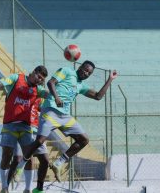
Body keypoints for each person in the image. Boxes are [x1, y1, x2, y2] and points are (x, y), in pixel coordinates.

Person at [15, 61, 118, 192]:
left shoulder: (81, 85)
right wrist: (56, 98)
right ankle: (21, 165)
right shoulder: (67, 71)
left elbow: (98, 96)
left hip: (65, 117)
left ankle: (58, 163)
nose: (86, 73)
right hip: (51, 110)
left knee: (84, 140)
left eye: (89, 73)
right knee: (40, 141)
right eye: (85, 70)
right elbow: (50, 83)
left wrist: (110, 79)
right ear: (80, 67)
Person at [0, 65, 48, 193]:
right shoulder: (16, 78)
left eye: (41, 79)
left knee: (28, 157)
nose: (39, 80)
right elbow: (1, 83)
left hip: (26, 126)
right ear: (33, 72)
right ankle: (4, 187)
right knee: (7, 155)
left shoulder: (38, 89)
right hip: (10, 124)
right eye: (38, 76)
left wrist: (57, 94)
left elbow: (48, 94)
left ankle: (28, 189)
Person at [8, 98, 50, 193]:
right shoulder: (25, 93)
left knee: (45, 160)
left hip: (37, 132)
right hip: (23, 129)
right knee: (17, 159)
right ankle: (5, 187)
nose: (40, 82)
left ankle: (34, 189)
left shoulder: (44, 98)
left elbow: (44, 112)